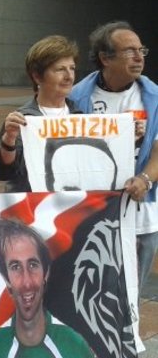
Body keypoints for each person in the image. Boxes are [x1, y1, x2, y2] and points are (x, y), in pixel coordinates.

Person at [69, 21, 158, 291]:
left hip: (142, 214)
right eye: (129, 51)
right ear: (105, 58)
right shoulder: (75, 97)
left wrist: (144, 178)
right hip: (92, 212)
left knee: (132, 292)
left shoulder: (153, 97)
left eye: (141, 50)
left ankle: (130, 334)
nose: (139, 57)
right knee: (92, 289)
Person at [0, 217, 94, 357]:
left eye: (33, 265)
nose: (27, 282)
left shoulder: (75, 346)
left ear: (45, 274)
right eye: (15, 267)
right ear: (6, 279)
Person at [0, 35, 81, 192]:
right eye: (60, 69)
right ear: (37, 76)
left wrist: (127, 136)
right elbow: (2, 171)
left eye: (72, 68)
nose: (69, 76)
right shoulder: (22, 119)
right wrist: (9, 139)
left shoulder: (81, 116)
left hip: (69, 209)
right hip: (30, 210)